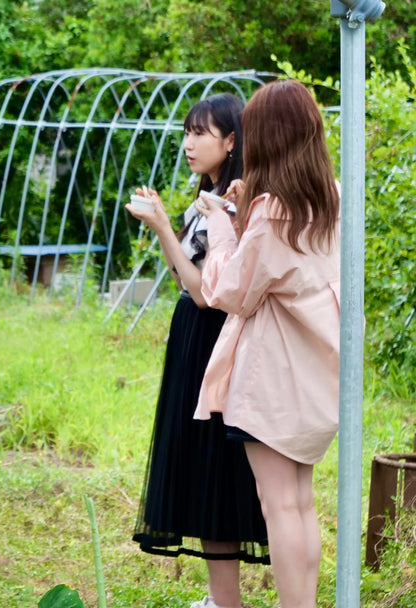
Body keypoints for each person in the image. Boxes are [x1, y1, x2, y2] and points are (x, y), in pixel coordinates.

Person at [195, 80, 341, 608]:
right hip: (319, 370)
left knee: (278, 504)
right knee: (301, 503)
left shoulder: (272, 214)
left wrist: (221, 226)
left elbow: (227, 290)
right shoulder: (332, 199)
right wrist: (246, 212)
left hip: (274, 376)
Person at [127, 94, 269, 608]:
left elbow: (205, 292)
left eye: (201, 133)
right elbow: (188, 281)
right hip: (196, 336)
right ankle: (219, 597)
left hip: (212, 337)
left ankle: (224, 601)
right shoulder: (208, 198)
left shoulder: (231, 205)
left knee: (215, 469)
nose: (189, 143)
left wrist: (163, 226)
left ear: (231, 141)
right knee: (208, 468)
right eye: (187, 132)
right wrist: (169, 224)